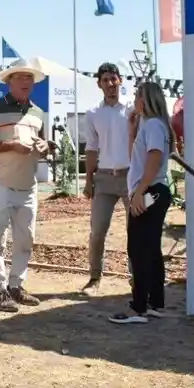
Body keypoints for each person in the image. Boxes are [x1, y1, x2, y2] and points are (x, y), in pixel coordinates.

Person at [0, 59, 49, 313]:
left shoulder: (38, 112)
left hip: (28, 185)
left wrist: (45, 146)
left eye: (29, 78)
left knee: (26, 239)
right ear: (9, 82)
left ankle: (17, 285)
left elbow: (45, 144)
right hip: (0, 184)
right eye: (20, 78)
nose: (26, 82)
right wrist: (11, 146)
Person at [109, 80, 174, 324]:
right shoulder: (149, 125)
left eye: (138, 95)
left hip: (151, 191)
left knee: (138, 248)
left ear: (146, 99)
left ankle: (138, 307)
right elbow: (135, 158)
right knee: (150, 248)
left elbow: (154, 158)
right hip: (153, 191)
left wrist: (139, 192)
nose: (134, 99)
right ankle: (154, 302)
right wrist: (131, 130)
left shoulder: (154, 125)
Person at [79, 62, 135, 295]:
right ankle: (94, 278)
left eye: (114, 79)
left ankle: (136, 279)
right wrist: (88, 180)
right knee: (98, 231)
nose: (110, 84)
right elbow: (91, 149)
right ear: (99, 84)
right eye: (105, 80)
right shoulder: (93, 114)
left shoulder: (133, 110)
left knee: (136, 231)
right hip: (103, 179)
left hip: (131, 178)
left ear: (121, 80)